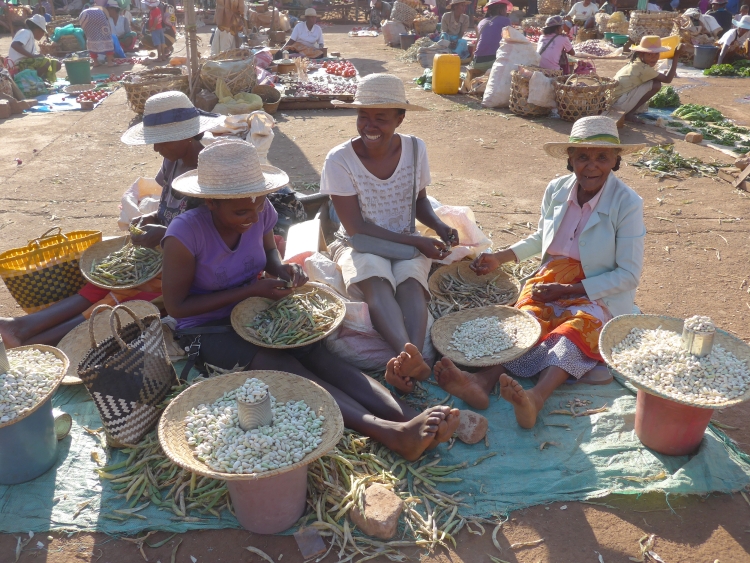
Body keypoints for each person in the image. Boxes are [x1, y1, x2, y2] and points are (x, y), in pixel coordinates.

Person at [161, 138, 461, 461]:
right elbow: (177, 308)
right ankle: (390, 433)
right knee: (287, 370)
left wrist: (284, 270)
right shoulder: (184, 235)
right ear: (211, 203)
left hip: (258, 312)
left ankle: (406, 417)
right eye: (240, 211)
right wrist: (250, 291)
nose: (252, 215)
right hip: (209, 328)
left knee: (320, 356)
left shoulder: (262, 212)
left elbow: (269, 256)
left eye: (259, 203)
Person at [416, 116, 646, 429]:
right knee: (525, 324)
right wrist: (500, 257)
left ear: (616, 161)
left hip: (597, 289)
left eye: (602, 158)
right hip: (550, 277)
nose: (591, 166)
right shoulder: (556, 190)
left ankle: (537, 396)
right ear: (570, 159)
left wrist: (567, 292)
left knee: (576, 328)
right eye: (582, 157)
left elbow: (628, 275)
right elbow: (541, 238)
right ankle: (482, 382)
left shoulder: (627, 203)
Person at [0, 91, 223, 349]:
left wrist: (164, 233)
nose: (155, 148)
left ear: (184, 136)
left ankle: (33, 343)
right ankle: (19, 326)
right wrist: (151, 217)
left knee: (119, 296)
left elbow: (211, 231)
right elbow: (168, 206)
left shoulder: (206, 172)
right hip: (160, 253)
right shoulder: (172, 161)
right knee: (101, 280)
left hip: (186, 265)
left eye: (160, 141)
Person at [320, 74, 459, 394]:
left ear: (400, 118)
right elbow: (356, 227)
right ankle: (411, 355)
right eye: (363, 116)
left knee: (411, 282)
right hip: (359, 243)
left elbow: (420, 202)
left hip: (405, 239)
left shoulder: (414, 149)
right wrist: (418, 241)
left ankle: (409, 362)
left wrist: (438, 226)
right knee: (375, 281)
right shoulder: (339, 159)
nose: (370, 125)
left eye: (381, 118)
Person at [605, 36, 685, 127]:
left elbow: (657, 76)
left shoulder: (636, 63)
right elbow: (667, 79)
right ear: (641, 55)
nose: (653, 58)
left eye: (656, 54)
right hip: (618, 105)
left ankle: (630, 111)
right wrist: (676, 56)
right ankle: (629, 113)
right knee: (656, 85)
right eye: (649, 54)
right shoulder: (643, 68)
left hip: (613, 101)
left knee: (652, 81)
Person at [7, 14, 61, 82]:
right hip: (18, 64)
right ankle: (35, 81)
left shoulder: (31, 36)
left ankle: (41, 80)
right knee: (46, 62)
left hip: (25, 62)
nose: (42, 35)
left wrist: (40, 56)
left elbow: (33, 55)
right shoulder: (26, 32)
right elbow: (15, 45)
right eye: (43, 32)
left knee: (56, 64)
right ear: (38, 30)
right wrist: (33, 56)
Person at [471, 0, 512, 71]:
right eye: (505, 9)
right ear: (501, 10)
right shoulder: (505, 20)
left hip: (477, 62)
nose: (506, 12)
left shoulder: (482, 21)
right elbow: (509, 40)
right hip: (492, 63)